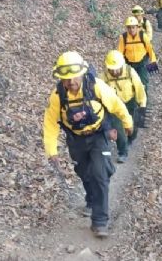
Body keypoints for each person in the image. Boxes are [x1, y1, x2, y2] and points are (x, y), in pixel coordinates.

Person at [42, 51, 133, 238]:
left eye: (74, 77)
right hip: (76, 140)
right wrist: (52, 151)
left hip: (99, 135)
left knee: (99, 174)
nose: (71, 82)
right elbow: (50, 123)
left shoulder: (96, 86)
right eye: (66, 79)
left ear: (82, 73)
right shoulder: (58, 96)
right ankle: (91, 197)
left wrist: (128, 123)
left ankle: (100, 222)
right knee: (85, 173)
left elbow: (116, 105)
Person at [100, 50, 148, 163]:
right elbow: (98, 92)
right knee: (119, 129)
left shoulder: (130, 72)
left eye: (117, 68)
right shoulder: (104, 77)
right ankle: (123, 152)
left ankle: (131, 139)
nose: (115, 71)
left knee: (133, 126)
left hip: (130, 102)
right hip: (115, 106)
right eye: (112, 69)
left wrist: (142, 106)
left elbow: (140, 90)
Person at [118, 17, 158, 89]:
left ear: (137, 27)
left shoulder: (143, 36)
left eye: (133, 27)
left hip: (142, 63)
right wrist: (119, 65)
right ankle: (134, 99)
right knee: (130, 83)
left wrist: (153, 61)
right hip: (129, 63)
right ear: (127, 28)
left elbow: (149, 49)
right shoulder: (123, 37)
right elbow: (120, 52)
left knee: (143, 82)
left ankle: (145, 99)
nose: (131, 29)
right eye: (129, 27)